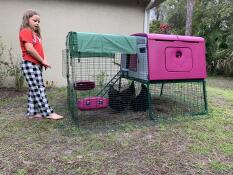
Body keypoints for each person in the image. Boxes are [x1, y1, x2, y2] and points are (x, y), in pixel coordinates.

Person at [19, 10, 63, 120]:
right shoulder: (26, 31)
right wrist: (42, 61)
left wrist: (44, 61)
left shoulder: (36, 35)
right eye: (34, 20)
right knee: (39, 89)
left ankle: (32, 112)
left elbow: (41, 51)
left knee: (34, 88)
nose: (37, 23)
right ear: (27, 20)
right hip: (29, 64)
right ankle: (47, 113)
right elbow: (29, 49)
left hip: (36, 65)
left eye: (38, 21)